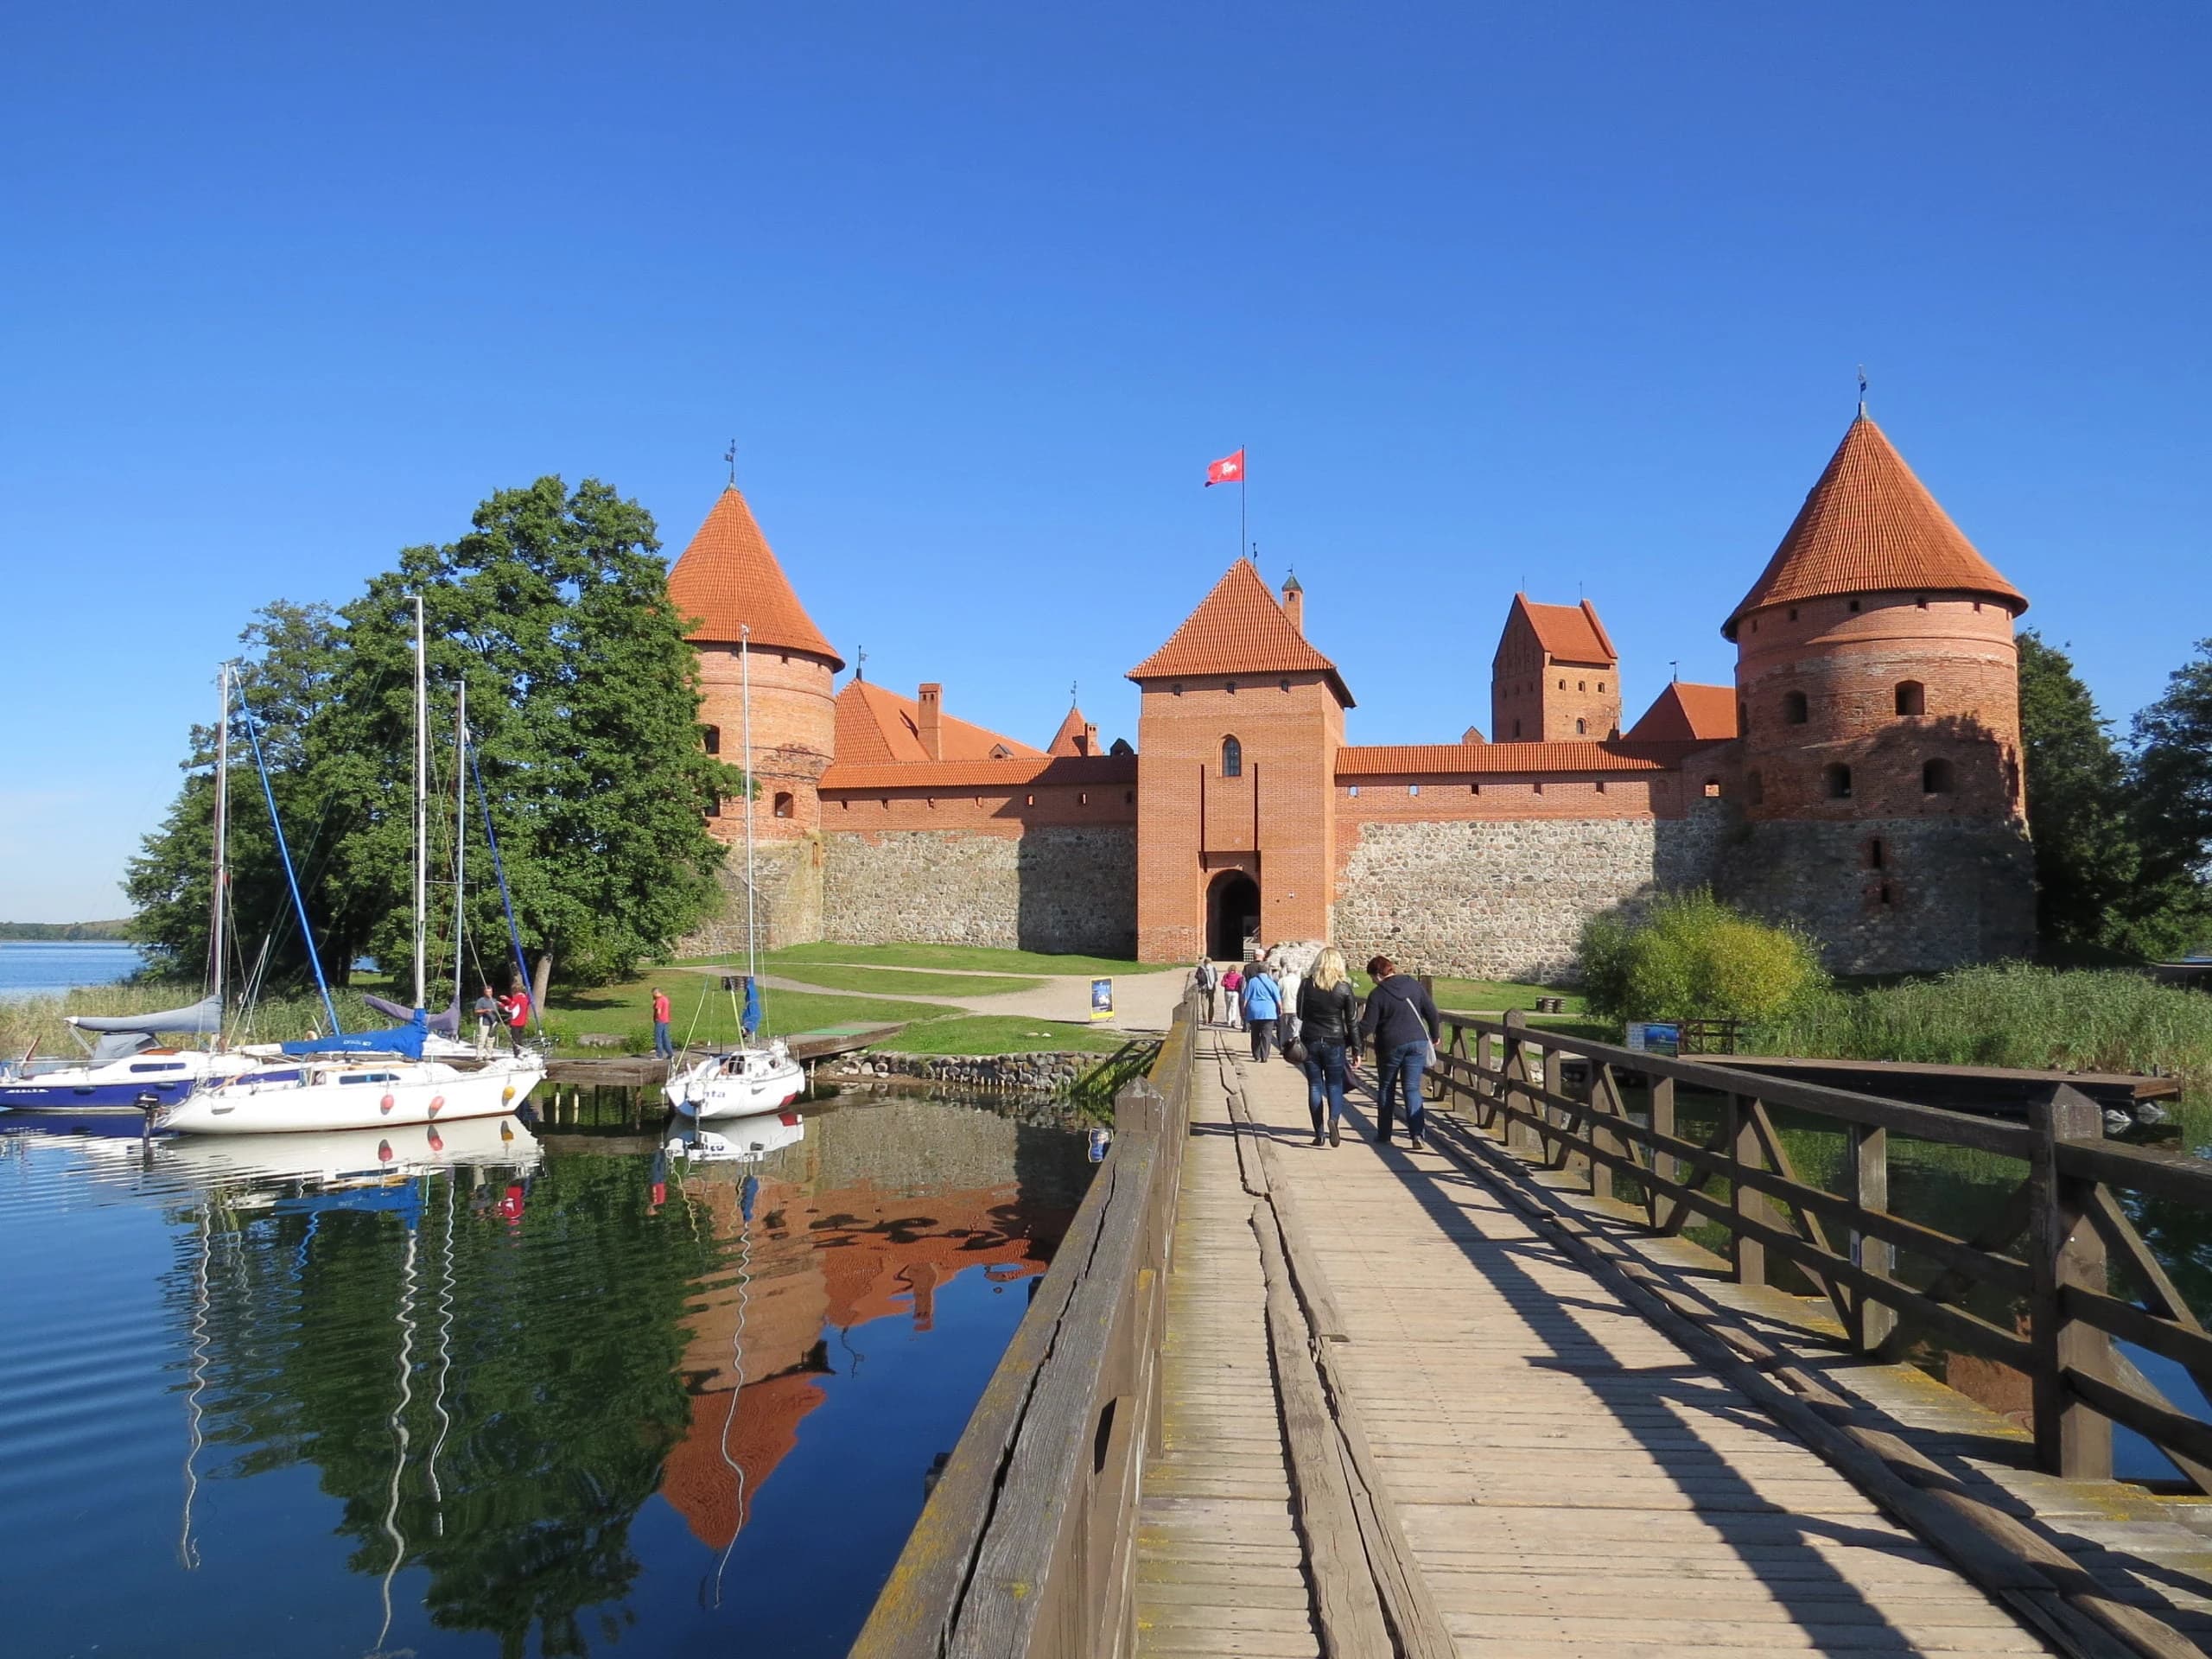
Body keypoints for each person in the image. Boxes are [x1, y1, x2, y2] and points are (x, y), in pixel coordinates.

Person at [1359, 956, 1440, 1148]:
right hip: (1417, 1041)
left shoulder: (1377, 995)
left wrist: (1348, 1041)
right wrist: (1435, 1034)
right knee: (1412, 1088)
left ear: (1378, 975)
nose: (1372, 981)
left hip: (1391, 1044)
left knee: (1387, 1088)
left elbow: (1367, 1026)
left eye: (1372, 977)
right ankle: (1417, 1134)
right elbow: (1431, 1011)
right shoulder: (1413, 985)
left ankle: (1384, 1134)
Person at [1296, 947, 1361, 1147]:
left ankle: (1319, 1133)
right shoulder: (1344, 988)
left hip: (1310, 1039)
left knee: (1314, 1085)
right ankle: (1334, 1119)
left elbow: (1299, 1013)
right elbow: (1351, 1022)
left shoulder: (1307, 985)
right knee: (1334, 1084)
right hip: (1335, 1040)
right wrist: (1356, 1049)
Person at [1241, 960, 1282, 1063]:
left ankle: (1256, 1055)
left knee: (1255, 1033)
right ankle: (1265, 1056)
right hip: (1268, 1011)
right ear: (1268, 971)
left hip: (1254, 1011)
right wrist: (1280, 1009)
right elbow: (1278, 999)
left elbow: (1246, 997)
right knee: (1266, 1034)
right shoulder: (1271, 982)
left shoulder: (1252, 982)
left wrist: (1243, 1010)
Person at [1274, 954, 1302, 1060]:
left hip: (1284, 1007)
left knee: (1284, 1030)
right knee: (1295, 1030)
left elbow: (1278, 994)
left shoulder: (1281, 981)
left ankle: (1283, 1048)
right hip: (1296, 1008)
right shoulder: (1299, 981)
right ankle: (1295, 1048)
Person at [500, 985, 532, 1055]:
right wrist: (507, 999)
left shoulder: (517, 997)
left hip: (516, 1022)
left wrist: (502, 1005)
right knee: (520, 1038)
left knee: (515, 1040)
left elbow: (510, 1009)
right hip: (523, 1021)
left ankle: (517, 1054)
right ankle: (521, 1052)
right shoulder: (525, 997)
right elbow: (517, 1005)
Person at [471, 985, 501, 1059]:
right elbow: (476, 1011)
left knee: (491, 1040)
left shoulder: (494, 1001)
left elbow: (497, 1011)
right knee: (482, 1039)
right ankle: (479, 1055)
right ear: (485, 992)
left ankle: (489, 1055)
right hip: (484, 1022)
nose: (489, 993)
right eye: (488, 992)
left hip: (493, 1023)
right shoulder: (481, 1000)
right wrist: (485, 1010)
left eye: (491, 992)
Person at [1192, 957, 1217, 1025]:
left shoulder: (1201, 968)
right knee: (1211, 1003)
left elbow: (1197, 976)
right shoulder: (1213, 968)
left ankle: (1205, 1019)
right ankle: (1211, 1019)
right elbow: (1216, 978)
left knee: (1203, 1003)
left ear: (1204, 962)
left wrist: (1202, 982)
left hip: (1203, 987)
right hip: (1211, 988)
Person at [652, 986, 672, 1059]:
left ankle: (659, 1054)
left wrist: (654, 1005)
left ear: (655, 993)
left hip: (660, 1020)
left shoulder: (659, 1000)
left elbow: (659, 1011)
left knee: (658, 1037)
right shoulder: (665, 999)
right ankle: (670, 1054)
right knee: (665, 1037)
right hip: (666, 1020)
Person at [1221, 963, 1244, 1031]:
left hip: (1227, 991)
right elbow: (1240, 984)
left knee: (1228, 1007)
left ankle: (1228, 1020)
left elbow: (1222, 984)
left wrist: (1227, 984)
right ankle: (1233, 1021)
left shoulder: (1226, 975)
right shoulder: (1238, 976)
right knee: (1234, 1007)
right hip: (1235, 992)